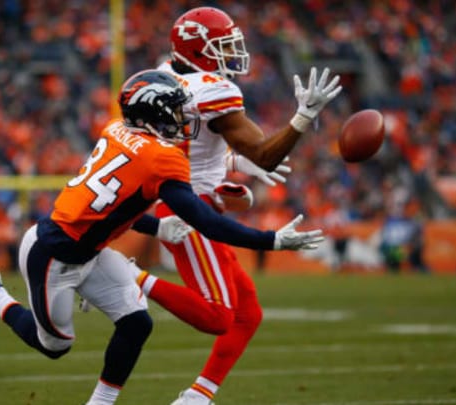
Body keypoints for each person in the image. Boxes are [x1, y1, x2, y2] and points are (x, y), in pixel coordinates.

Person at [0, 70, 323, 405]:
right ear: (150, 115)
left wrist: (157, 226)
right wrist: (271, 240)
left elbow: (116, 202)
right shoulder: (160, 158)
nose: (182, 120)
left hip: (89, 248)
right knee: (55, 345)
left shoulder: (116, 130)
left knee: (137, 323)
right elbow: (205, 221)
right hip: (52, 256)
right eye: (173, 112)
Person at [131, 7, 343, 404]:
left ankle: (197, 396)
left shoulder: (162, 77)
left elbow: (182, 147)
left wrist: (229, 163)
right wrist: (301, 118)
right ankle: (130, 278)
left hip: (184, 197)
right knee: (218, 316)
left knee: (248, 314)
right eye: (221, 46)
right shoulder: (214, 89)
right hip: (188, 209)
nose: (230, 54)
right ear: (198, 49)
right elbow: (264, 154)